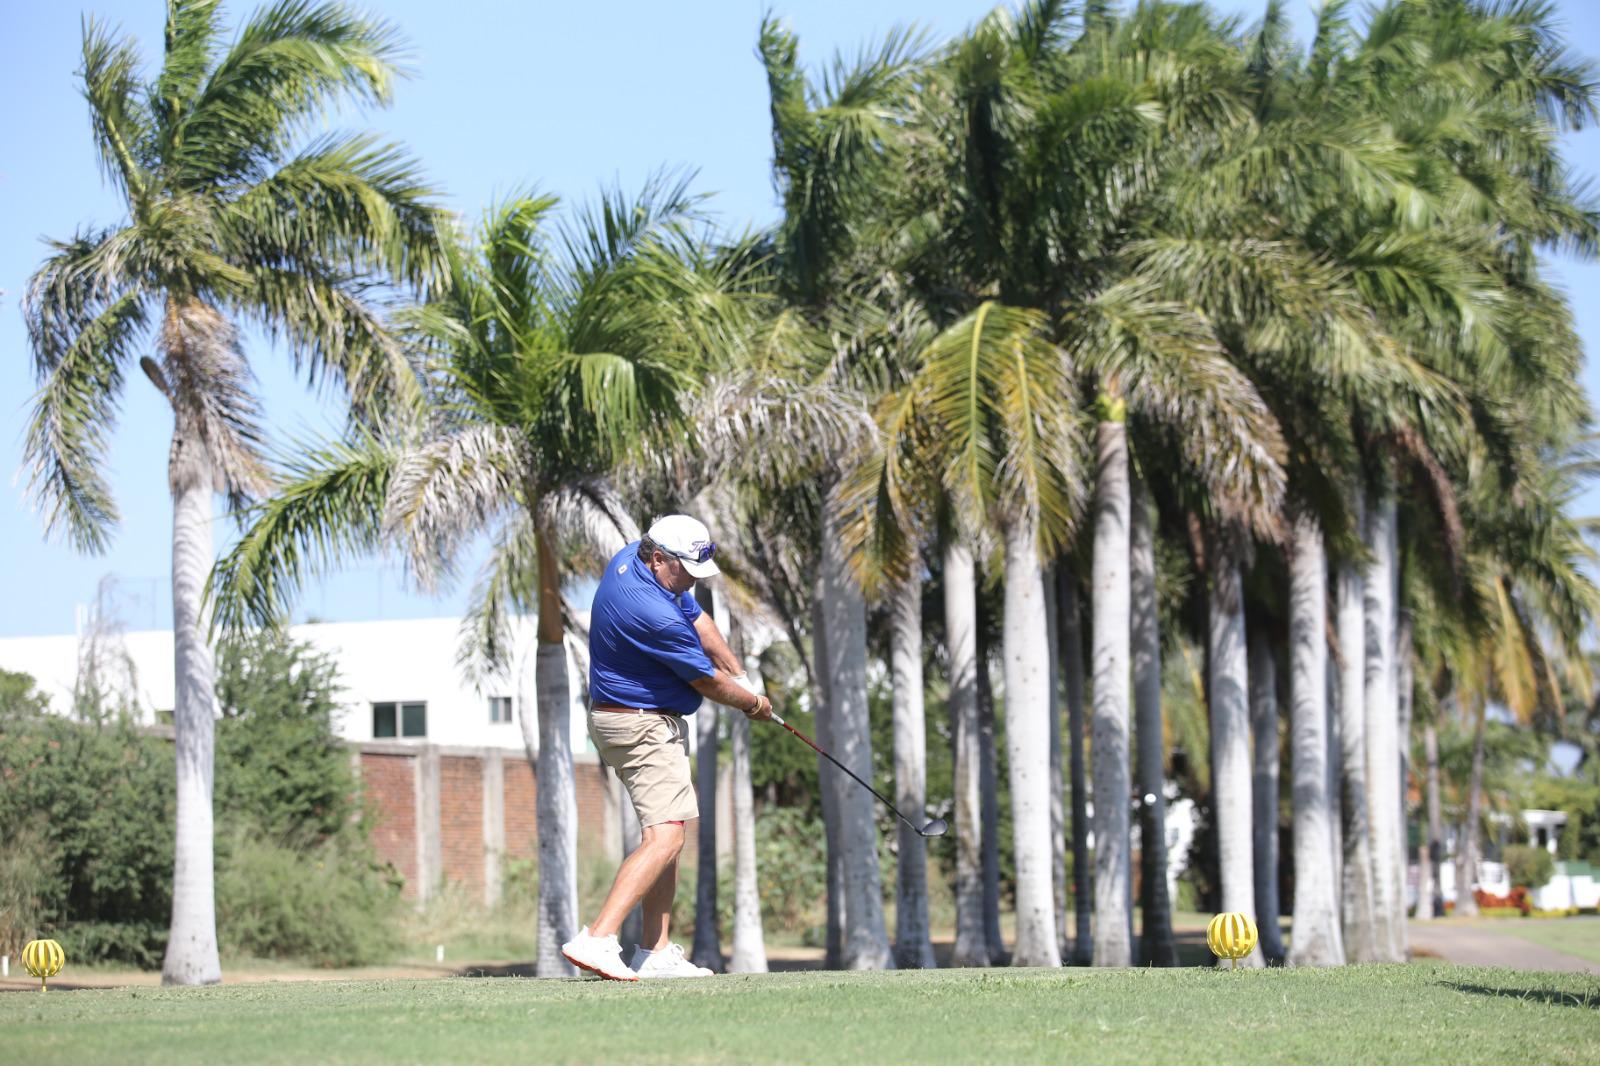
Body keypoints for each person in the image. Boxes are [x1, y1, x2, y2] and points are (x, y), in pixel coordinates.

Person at [560, 514, 772, 980]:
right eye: (686, 572)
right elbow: (706, 682)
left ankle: (654, 953)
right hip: (641, 727)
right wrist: (752, 702)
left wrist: (741, 674)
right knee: (667, 836)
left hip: (636, 719)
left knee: (668, 834)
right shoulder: (651, 613)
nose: (691, 583)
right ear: (659, 558)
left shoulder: (634, 561)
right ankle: (596, 938)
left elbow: (699, 619)